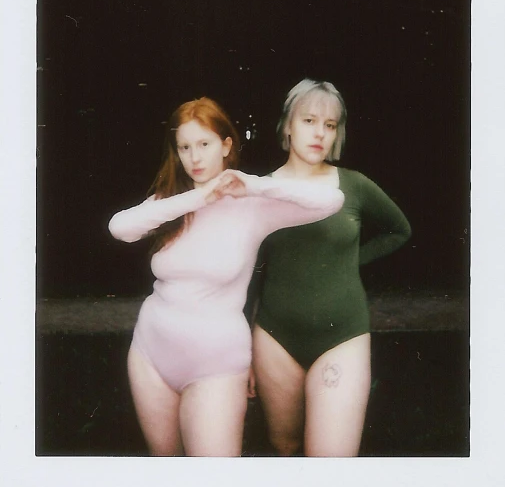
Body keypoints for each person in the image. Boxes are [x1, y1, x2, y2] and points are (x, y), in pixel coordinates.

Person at [108, 96, 344, 457]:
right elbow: (119, 228)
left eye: (204, 144)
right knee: (165, 475)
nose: (195, 157)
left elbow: (331, 200)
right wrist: (198, 198)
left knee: (213, 485)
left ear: (226, 145)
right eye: (184, 147)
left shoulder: (254, 207)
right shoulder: (172, 202)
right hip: (150, 354)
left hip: (215, 364)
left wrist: (256, 186)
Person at [251, 79, 411, 457]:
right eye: (309, 121)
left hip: (342, 339)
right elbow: (243, 271)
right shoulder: (259, 191)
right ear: (288, 125)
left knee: (332, 464)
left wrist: (347, 261)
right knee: (285, 449)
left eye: (330, 124)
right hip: (275, 341)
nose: (320, 133)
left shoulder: (354, 186)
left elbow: (400, 231)